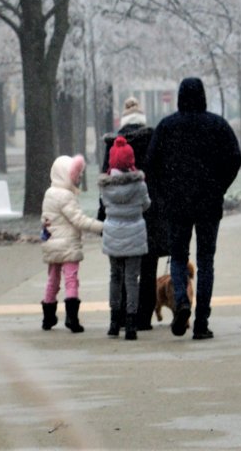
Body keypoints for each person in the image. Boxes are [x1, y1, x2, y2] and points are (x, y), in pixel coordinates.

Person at [146, 76, 241, 340]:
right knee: (206, 261)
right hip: (208, 204)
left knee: (178, 257)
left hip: (176, 204)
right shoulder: (218, 126)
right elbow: (235, 158)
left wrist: (164, 194)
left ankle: (181, 301)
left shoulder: (167, 127)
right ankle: (201, 322)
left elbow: (151, 164)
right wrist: (219, 186)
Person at [101, 95, 163, 329]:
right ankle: (143, 317)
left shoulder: (113, 144)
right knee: (147, 267)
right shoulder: (153, 139)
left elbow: (105, 181)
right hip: (149, 211)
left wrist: (103, 215)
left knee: (119, 271)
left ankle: (120, 315)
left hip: (117, 215)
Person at [40, 153, 105, 332]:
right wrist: (101, 226)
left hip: (51, 243)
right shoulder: (66, 196)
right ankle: (71, 318)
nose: (76, 179)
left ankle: (48, 317)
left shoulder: (49, 193)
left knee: (52, 280)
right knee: (71, 280)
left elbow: (45, 219)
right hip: (68, 245)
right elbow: (78, 220)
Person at [98, 138, 150, 340]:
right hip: (135, 234)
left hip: (113, 234)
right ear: (131, 160)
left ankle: (113, 322)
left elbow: (104, 207)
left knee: (115, 277)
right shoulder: (139, 185)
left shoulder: (106, 187)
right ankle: (131, 324)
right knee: (132, 279)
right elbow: (146, 205)